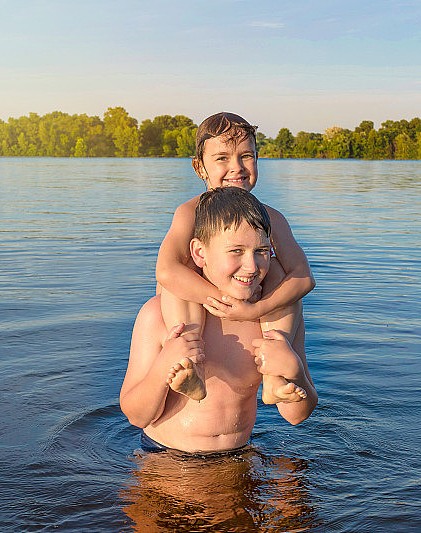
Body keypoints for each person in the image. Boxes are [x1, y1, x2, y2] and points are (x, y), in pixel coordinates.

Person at [120, 187, 317, 453]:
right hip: (165, 458)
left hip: (240, 455)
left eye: (261, 251)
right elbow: (136, 416)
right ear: (199, 253)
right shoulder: (159, 316)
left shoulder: (274, 319)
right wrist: (164, 366)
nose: (251, 266)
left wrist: (296, 374)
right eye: (236, 251)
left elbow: (296, 415)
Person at [154, 112, 315, 404]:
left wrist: (256, 310)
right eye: (222, 158)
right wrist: (226, 301)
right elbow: (165, 271)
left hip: (248, 304)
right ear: (199, 167)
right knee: (181, 274)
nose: (236, 168)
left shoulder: (271, 218)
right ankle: (193, 366)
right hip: (197, 313)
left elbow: (304, 276)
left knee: (279, 270)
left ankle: (274, 377)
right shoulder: (190, 213)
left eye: (246, 156)